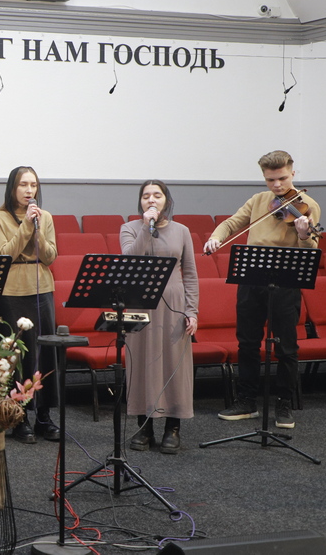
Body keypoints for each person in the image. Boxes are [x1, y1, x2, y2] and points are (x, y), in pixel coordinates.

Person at [206, 150, 320, 430]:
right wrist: (216, 237)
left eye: (282, 178)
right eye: (270, 180)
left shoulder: (307, 205)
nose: (277, 185)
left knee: (286, 346)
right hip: (251, 278)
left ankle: (284, 403)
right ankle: (246, 401)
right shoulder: (258, 200)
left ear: (293, 173)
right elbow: (232, 223)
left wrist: (303, 234)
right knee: (247, 342)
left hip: (286, 281)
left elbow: (311, 248)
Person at [120, 181, 199, 454]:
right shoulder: (129, 228)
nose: (151, 200)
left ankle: (173, 428)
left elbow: (190, 274)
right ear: (140, 201)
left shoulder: (182, 231)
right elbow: (129, 260)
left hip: (174, 305)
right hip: (140, 305)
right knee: (142, 364)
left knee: (174, 365)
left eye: (157, 195)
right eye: (146, 196)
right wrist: (146, 227)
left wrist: (192, 310)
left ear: (167, 200)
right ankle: (144, 427)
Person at [0, 166, 60, 443]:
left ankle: (43, 415)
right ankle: (18, 417)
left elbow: (50, 255)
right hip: (10, 290)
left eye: (34, 185)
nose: (29, 190)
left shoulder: (45, 217)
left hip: (42, 287)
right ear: (12, 188)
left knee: (44, 351)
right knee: (16, 354)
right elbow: (6, 253)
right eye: (23, 185)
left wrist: (36, 228)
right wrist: (27, 225)